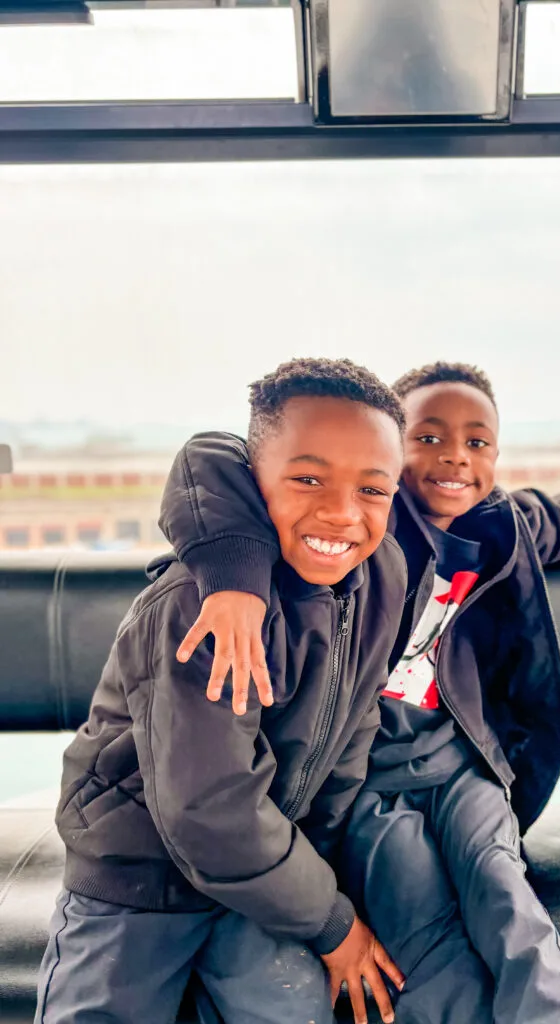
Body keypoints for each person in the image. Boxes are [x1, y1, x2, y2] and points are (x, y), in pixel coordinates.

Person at [157, 362, 560, 1024]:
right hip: (365, 777)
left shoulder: (505, 528)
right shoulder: (366, 521)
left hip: (460, 764)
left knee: (502, 890)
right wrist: (234, 579)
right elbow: (211, 464)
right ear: (390, 452)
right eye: (429, 438)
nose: (455, 456)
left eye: (478, 442)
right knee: (414, 907)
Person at [35, 358, 411, 1024]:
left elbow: (352, 733)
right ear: (250, 481)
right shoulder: (205, 605)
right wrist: (333, 925)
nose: (342, 512)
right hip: (138, 877)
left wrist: (316, 883)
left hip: (264, 879)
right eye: (306, 479)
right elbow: (209, 808)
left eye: (373, 490)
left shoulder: (380, 576)